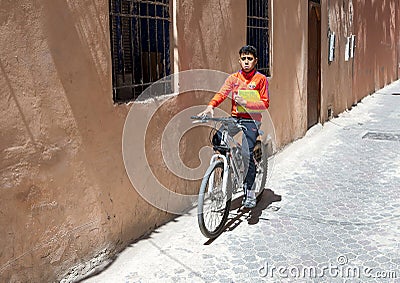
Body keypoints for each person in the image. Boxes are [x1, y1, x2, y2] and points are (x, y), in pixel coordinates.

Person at [198, 45, 269, 208]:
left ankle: (250, 191)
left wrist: (248, 103)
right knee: (217, 139)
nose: (246, 62)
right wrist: (211, 106)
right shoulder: (233, 78)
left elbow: (265, 103)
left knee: (246, 152)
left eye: (249, 59)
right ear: (239, 60)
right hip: (236, 118)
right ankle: (226, 171)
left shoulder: (260, 79)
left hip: (252, 120)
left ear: (255, 61)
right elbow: (222, 93)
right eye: (243, 58)